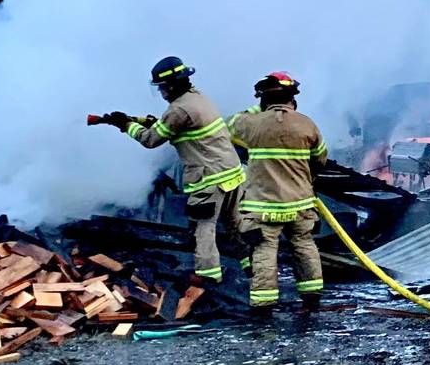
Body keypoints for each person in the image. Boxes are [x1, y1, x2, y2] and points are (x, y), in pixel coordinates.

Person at [97, 55, 243, 282]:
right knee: (236, 224)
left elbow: (151, 140)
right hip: (232, 172)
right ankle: (253, 265)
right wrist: (146, 121)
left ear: (172, 85)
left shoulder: (178, 110)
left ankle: (208, 276)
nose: (161, 91)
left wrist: (126, 125)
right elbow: (177, 125)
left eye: (162, 87)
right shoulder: (197, 97)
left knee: (204, 227)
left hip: (210, 178)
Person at [227, 71, 328, 309]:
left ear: (263, 99)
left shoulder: (252, 123)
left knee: (264, 249)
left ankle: (264, 304)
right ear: (293, 98)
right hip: (300, 202)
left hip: (264, 205)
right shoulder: (307, 124)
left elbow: (229, 124)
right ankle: (312, 296)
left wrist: (258, 108)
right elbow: (320, 159)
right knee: (304, 245)